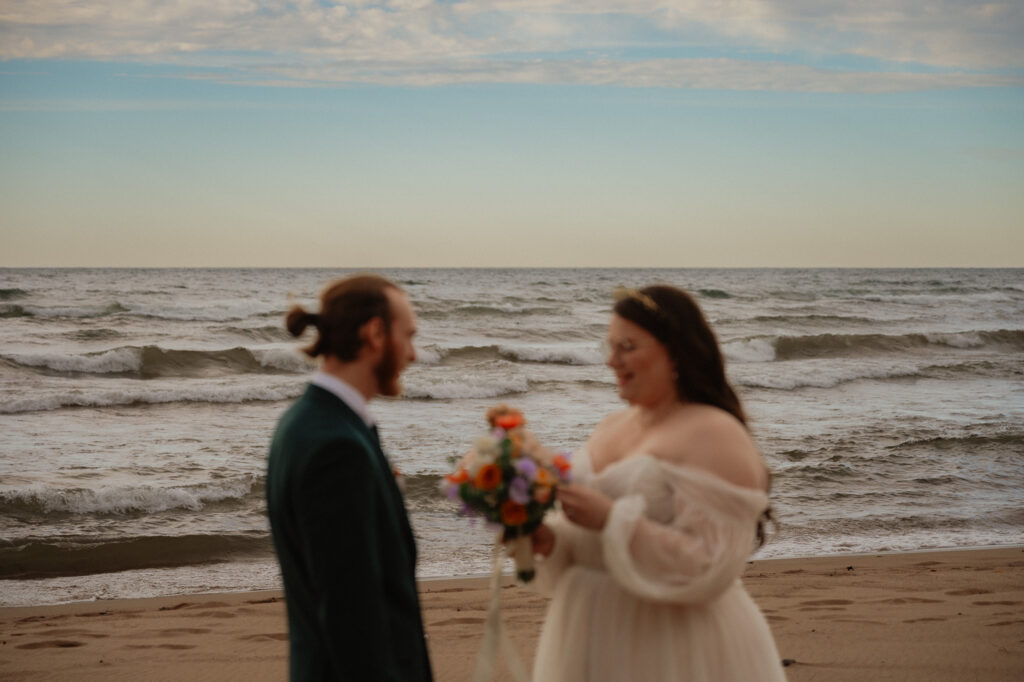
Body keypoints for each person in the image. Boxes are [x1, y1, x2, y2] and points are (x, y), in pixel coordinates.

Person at [529, 285, 785, 682]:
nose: (612, 361)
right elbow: (589, 544)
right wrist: (548, 540)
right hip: (588, 636)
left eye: (627, 346)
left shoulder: (714, 432)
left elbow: (711, 564)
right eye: (609, 346)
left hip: (672, 646)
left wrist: (614, 519)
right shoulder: (609, 426)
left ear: (676, 351)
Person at [266, 274, 433, 681]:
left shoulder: (303, 422)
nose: (413, 355)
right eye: (408, 336)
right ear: (375, 333)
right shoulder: (336, 449)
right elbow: (351, 616)